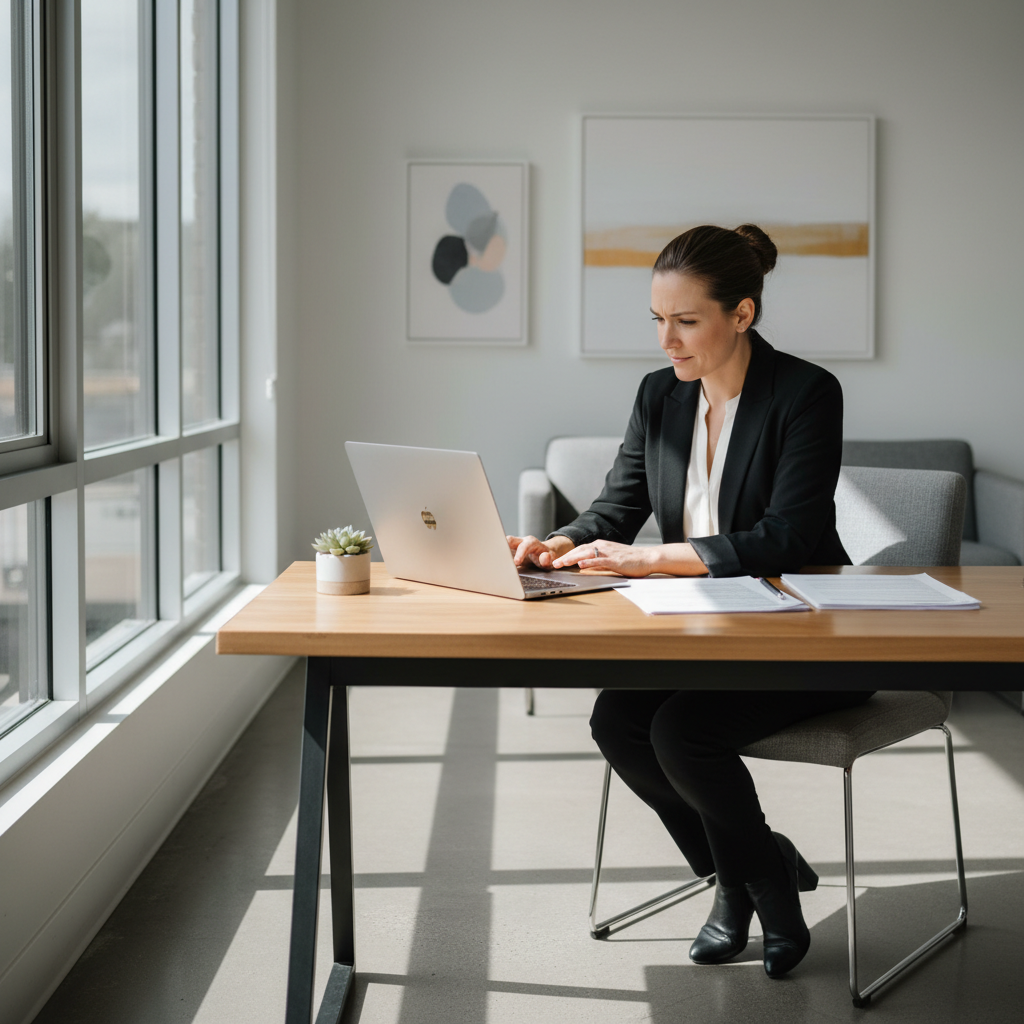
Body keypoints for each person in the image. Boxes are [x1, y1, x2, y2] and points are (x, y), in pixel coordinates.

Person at [506, 224, 872, 978]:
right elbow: (615, 507)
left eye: (686, 321)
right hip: (709, 634)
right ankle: (748, 865)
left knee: (681, 731)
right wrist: (557, 543)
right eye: (658, 321)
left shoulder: (805, 394)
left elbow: (789, 535)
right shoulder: (659, 397)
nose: (667, 341)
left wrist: (653, 558)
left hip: (808, 634)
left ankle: (755, 892)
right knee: (617, 718)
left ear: (741, 314)